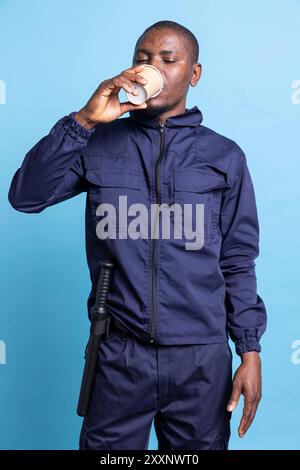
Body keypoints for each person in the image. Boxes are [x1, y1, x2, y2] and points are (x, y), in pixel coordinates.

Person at [8, 20, 267, 450]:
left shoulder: (225, 157)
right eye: (142, 59)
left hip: (201, 359)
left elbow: (238, 260)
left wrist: (250, 349)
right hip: (120, 356)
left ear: (194, 74)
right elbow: (25, 196)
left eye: (169, 59)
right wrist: (84, 121)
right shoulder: (97, 143)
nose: (153, 68)